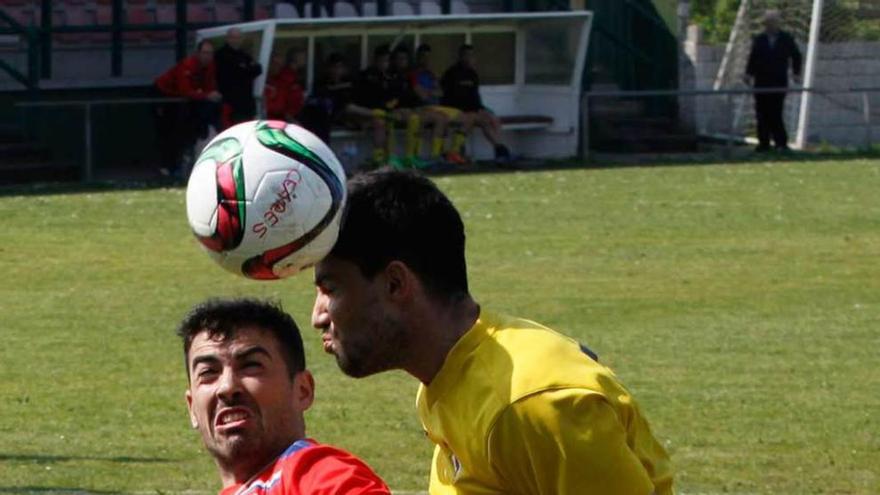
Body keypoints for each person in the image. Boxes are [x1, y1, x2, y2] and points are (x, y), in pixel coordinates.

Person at [311, 169, 674, 495]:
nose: (318, 316)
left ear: (395, 284)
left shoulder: (534, 404)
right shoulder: (446, 377)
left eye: (331, 289)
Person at [176, 298, 391, 495]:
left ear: (302, 390)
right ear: (192, 407)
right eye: (208, 373)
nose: (227, 387)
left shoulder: (318, 475)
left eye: (251, 366)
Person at [154, 39, 222, 177]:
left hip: (188, 102)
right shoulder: (187, 66)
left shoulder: (211, 67)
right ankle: (168, 167)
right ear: (197, 53)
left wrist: (206, 94)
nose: (207, 56)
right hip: (165, 96)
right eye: (204, 53)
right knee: (170, 130)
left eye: (210, 53)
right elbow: (185, 90)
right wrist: (206, 95)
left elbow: (206, 87)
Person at [440, 44, 511, 164]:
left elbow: (475, 96)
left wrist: (481, 109)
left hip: (471, 109)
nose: (469, 58)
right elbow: (449, 96)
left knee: (489, 119)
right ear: (460, 57)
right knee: (471, 118)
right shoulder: (451, 73)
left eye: (471, 56)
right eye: (466, 56)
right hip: (453, 110)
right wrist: (472, 110)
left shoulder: (473, 74)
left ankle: (499, 148)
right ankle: (455, 151)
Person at [744, 9, 802, 152]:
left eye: (772, 22)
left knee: (776, 112)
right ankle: (763, 143)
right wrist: (748, 74)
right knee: (761, 113)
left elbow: (796, 56)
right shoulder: (759, 39)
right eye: (767, 23)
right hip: (761, 81)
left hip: (778, 81)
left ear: (777, 23)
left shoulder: (786, 38)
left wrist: (796, 73)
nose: (769, 25)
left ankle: (781, 143)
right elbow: (753, 58)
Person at [353, 45, 418, 168]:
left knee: (413, 118)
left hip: (390, 110)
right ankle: (381, 158)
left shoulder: (393, 76)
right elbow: (364, 99)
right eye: (382, 60)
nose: (384, 64)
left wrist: (397, 106)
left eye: (387, 61)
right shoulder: (367, 76)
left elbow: (399, 96)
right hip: (369, 112)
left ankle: (410, 156)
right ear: (375, 60)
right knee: (384, 121)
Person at [409, 43, 465, 164]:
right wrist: (431, 92)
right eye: (423, 57)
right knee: (442, 118)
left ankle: (453, 152)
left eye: (428, 57)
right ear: (418, 58)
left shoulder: (431, 74)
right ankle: (436, 156)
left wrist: (432, 85)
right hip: (422, 108)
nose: (426, 60)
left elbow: (440, 93)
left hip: (437, 107)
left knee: (463, 117)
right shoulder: (413, 74)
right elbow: (421, 96)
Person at [215, 28, 263, 128]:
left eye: (238, 38)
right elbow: (234, 72)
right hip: (230, 103)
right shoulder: (221, 55)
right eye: (233, 37)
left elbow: (258, 69)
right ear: (227, 39)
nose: (235, 40)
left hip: (246, 102)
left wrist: (245, 69)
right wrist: (246, 69)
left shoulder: (244, 55)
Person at [264, 50, 305, 122]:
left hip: (291, 117)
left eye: (280, 65)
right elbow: (276, 107)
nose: (277, 67)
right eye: (274, 64)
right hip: (274, 120)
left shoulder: (286, 79)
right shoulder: (264, 83)